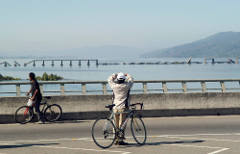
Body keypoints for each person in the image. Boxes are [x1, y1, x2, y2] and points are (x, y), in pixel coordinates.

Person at [108, 72, 134, 145]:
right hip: (123, 107)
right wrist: (127, 75)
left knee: (115, 123)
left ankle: (115, 138)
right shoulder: (126, 86)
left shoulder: (114, 86)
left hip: (115, 107)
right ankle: (120, 140)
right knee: (122, 124)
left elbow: (109, 80)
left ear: (118, 79)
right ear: (123, 79)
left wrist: (114, 75)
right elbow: (131, 80)